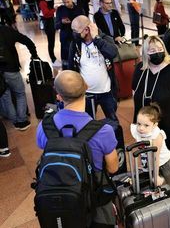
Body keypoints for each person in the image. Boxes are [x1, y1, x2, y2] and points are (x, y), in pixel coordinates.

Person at [36, 70, 119, 227]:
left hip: (57, 199)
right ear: (86, 87)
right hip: (95, 202)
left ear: (58, 95)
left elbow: (44, 154)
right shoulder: (103, 130)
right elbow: (113, 168)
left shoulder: (44, 126)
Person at [132, 35, 170, 156]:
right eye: (152, 50)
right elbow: (135, 93)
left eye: (160, 49)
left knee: (165, 159)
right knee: (146, 157)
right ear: (145, 52)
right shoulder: (140, 69)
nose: (157, 52)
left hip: (167, 126)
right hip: (144, 127)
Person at [69, 15, 119, 121]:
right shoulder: (75, 44)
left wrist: (97, 39)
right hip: (86, 94)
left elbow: (113, 53)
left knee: (112, 121)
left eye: (75, 30)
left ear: (86, 30)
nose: (73, 33)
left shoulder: (104, 39)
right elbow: (70, 67)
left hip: (107, 92)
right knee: (88, 123)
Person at [0, 25, 40, 130]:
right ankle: (22, 121)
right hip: (11, 68)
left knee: (5, 96)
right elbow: (26, 40)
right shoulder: (6, 30)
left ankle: (14, 121)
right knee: (20, 94)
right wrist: (34, 54)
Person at [130, 103, 170, 189]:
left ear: (155, 125)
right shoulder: (137, 131)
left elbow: (156, 157)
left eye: (146, 125)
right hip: (152, 163)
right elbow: (140, 148)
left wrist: (156, 176)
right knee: (156, 188)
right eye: (139, 123)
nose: (141, 128)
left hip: (166, 164)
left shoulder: (156, 136)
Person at [55, 0, 85, 69]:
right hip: (66, 40)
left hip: (78, 38)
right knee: (67, 63)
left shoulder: (79, 9)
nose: (66, 4)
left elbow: (85, 22)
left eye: (68, 2)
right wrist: (62, 22)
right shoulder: (60, 10)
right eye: (64, 2)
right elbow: (56, 26)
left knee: (80, 61)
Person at [38, 0, 58, 65]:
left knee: (52, 40)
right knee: (51, 41)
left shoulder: (48, 1)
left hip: (50, 21)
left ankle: (53, 57)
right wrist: (54, 9)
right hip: (47, 22)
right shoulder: (42, 2)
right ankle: (53, 58)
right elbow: (46, 14)